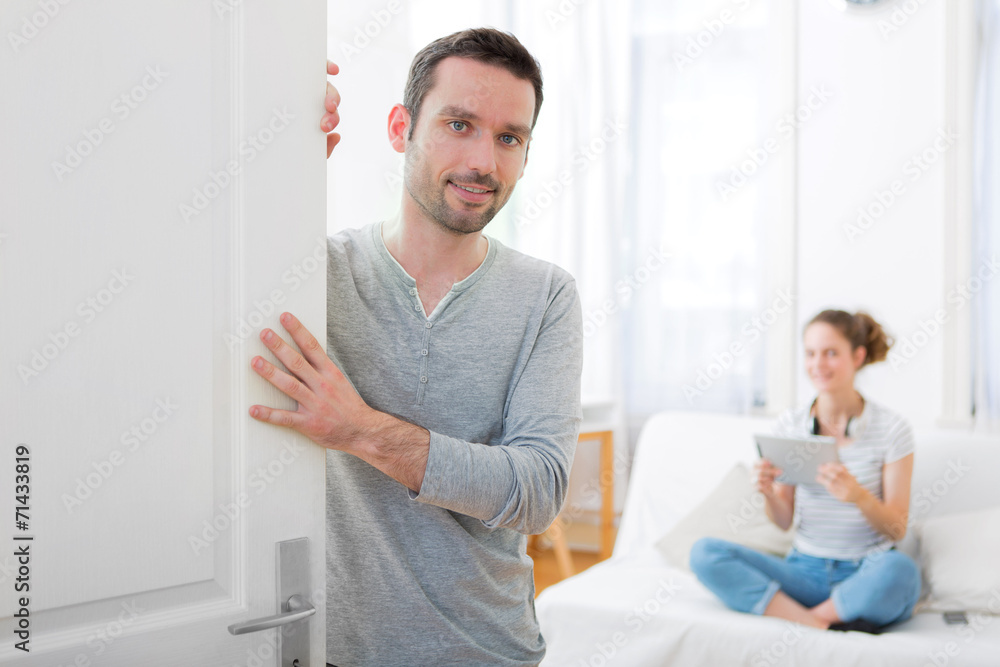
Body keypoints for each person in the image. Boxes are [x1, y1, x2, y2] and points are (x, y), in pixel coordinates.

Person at [248, 29, 583, 665]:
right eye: (459, 125)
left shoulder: (547, 296)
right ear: (401, 128)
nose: (484, 161)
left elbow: (538, 490)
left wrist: (359, 430)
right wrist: (281, 150)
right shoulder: (318, 272)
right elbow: (200, 281)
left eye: (509, 138)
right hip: (334, 650)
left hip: (490, 651)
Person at [689, 310, 921, 634]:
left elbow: (896, 529)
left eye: (830, 353)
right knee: (704, 554)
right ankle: (822, 622)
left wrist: (859, 497)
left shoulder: (893, 429)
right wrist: (769, 494)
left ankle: (805, 616)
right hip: (804, 572)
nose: (818, 364)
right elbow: (783, 520)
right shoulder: (792, 424)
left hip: (866, 571)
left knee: (901, 571)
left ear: (858, 356)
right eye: (810, 353)